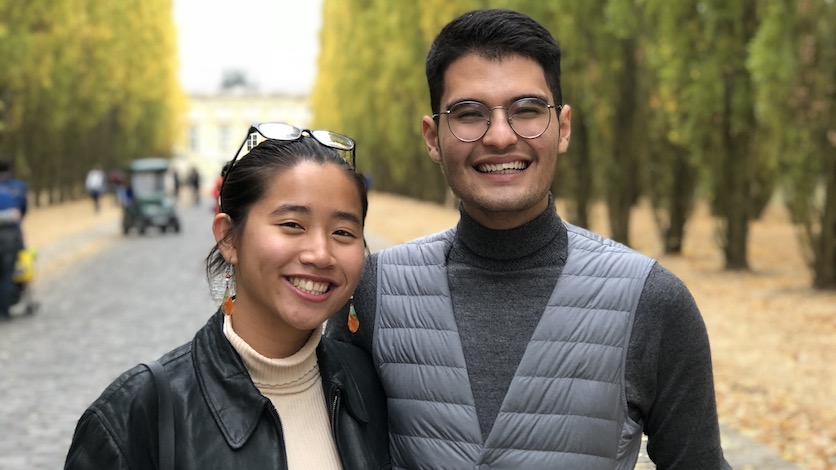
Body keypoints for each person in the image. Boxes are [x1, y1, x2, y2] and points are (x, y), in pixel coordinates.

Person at [325, 9, 730, 469]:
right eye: (469, 114)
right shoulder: (373, 290)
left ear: (564, 128)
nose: (500, 136)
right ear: (432, 137)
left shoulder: (651, 300)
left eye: (527, 110)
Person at [65, 123, 391, 469]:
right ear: (229, 238)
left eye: (343, 232)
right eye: (292, 224)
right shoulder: (134, 416)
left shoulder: (372, 385)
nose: (320, 254)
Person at [0, 158, 27, 321]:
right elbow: (23, 209)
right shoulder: (17, 187)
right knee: (8, 273)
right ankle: (6, 310)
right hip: (11, 235)